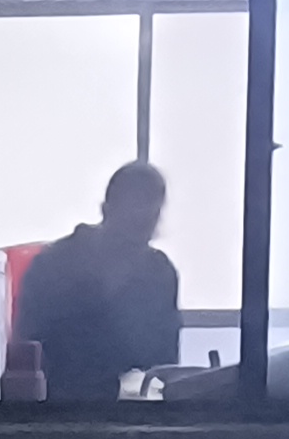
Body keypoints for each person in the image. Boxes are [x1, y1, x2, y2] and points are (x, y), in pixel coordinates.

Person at [9, 160, 179, 401]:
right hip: (55, 409)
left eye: (147, 221)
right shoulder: (53, 266)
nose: (136, 239)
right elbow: (24, 357)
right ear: (106, 209)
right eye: (132, 220)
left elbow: (165, 369)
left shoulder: (159, 275)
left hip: (133, 412)